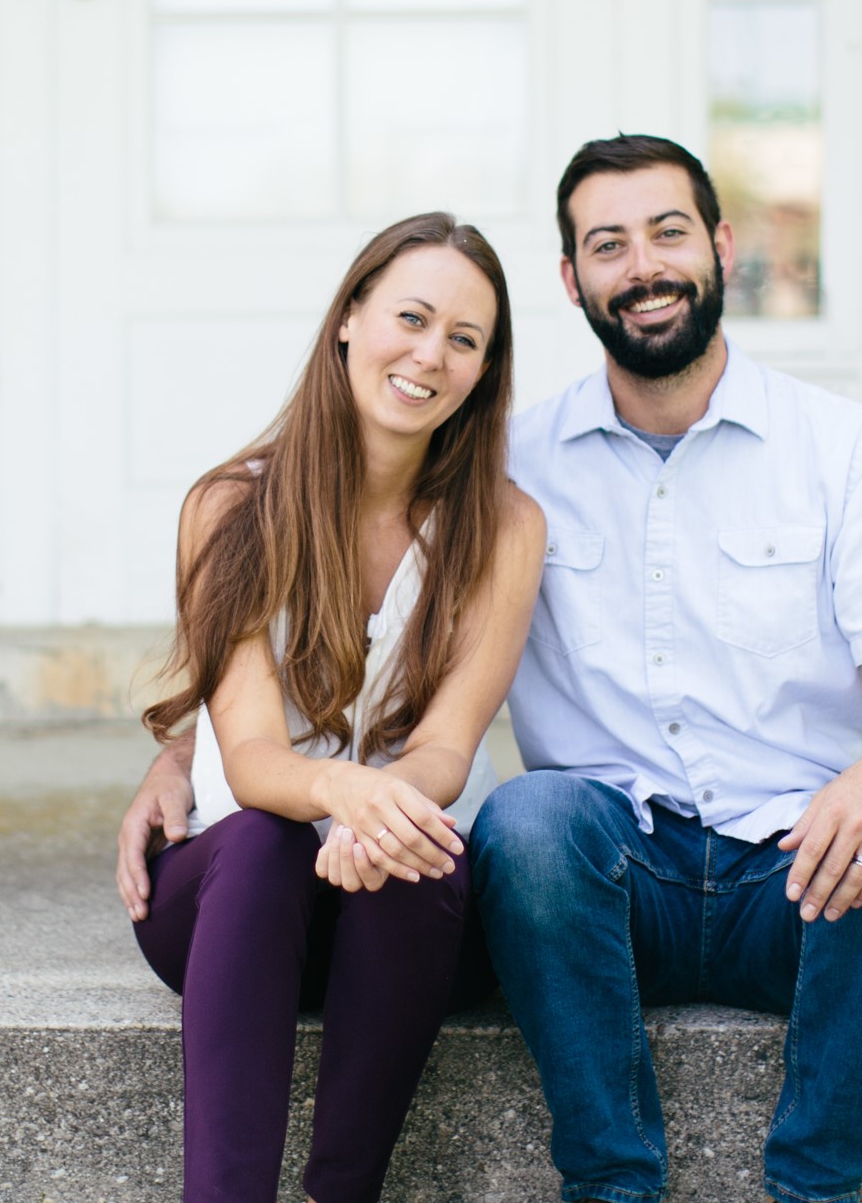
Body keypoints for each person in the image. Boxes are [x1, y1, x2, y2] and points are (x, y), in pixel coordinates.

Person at [119, 139, 862, 1203]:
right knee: (481, 826)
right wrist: (177, 758)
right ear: (574, 279)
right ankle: (608, 1185)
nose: (644, 266)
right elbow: (263, 680)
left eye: (668, 233)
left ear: (720, 245)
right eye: (608, 244)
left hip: (793, 863)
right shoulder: (481, 470)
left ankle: (816, 1185)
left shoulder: (832, 452)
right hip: (597, 875)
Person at [119, 211, 545, 1203]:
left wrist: (380, 818)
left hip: (408, 923)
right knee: (269, 841)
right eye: (411, 315)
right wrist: (341, 795)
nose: (429, 354)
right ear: (349, 317)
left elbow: (448, 742)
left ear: (484, 372)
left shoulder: (507, 528)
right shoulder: (228, 507)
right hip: (236, 908)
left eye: (465, 340)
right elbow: (254, 749)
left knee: (420, 850)